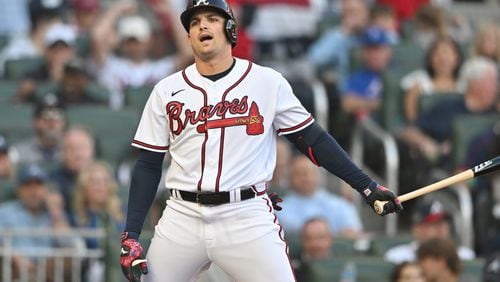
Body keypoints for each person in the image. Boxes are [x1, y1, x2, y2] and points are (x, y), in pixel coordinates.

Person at [118, 0, 402, 281]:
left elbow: (312, 139)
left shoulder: (266, 81)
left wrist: (366, 185)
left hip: (246, 214)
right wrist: (131, 235)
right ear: (189, 36)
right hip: (183, 214)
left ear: (230, 28)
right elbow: (148, 165)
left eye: (211, 18)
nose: (202, 24)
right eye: (194, 21)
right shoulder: (166, 90)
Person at [400, 57, 498, 169]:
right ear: (475, 83)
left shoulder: (495, 113)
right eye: (492, 82)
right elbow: (408, 132)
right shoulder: (447, 108)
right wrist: (426, 143)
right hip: (449, 174)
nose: (496, 87)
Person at [0, 164, 78, 281]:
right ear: (19, 190)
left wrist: (56, 214)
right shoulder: (5, 211)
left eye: (38, 185)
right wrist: (13, 255)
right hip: (15, 270)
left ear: (46, 189)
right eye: (28, 186)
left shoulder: (54, 214)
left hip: (48, 271)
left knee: (67, 258)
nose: (33, 191)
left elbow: (71, 245)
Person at [278, 155, 363, 238]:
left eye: (308, 172)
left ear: (317, 174)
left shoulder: (341, 205)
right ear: (289, 178)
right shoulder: (280, 209)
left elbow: (353, 234)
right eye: (298, 173)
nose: (305, 177)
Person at [71, 161, 124, 282]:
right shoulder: (76, 217)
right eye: (94, 182)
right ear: (84, 187)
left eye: (105, 181)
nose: (100, 186)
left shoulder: (122, 214)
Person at [385, 199, 475, 264]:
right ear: (416, 229)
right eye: (434, 224)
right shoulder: (397, 257)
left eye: (443, 223)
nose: (441, 229)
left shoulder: (464, 256)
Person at [400, 36, 463, 123]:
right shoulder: (419, 82)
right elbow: (411, 121)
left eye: (448, 53)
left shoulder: (465, 84)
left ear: (457, 58)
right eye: (437, 54)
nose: (443, 58)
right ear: (430, 58)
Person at [340, 25, 393, 117]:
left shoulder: (397, 73)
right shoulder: (358, 77)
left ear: (388, 51)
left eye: (378, 49)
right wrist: (379, 104)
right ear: (362, 53)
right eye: (369, 50)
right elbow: (347, 103)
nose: (374, 55)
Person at [11, 94, 66, 168]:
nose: (52, 122)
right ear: (35, 121)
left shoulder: (73, 152)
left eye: (57, 116)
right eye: (46, 116)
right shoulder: (18, 153)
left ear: (63, 122)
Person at [50, 126, 96, 214]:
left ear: (92, 150)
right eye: (70, 149)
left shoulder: (105, 179)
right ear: (62, 153)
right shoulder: (54, 181)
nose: (77, 154)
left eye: (82, 147)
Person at [293, 218, 334, 282]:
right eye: (308, 238)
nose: (314, 243)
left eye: (320, 238)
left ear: (329, 238)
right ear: (302, 240)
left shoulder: (342, 264)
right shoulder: (292, 269)